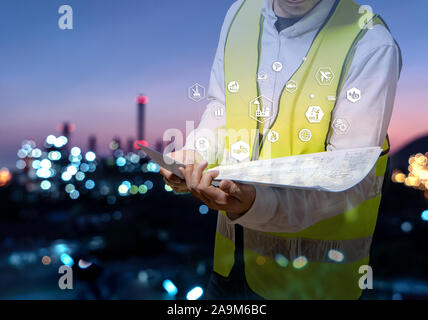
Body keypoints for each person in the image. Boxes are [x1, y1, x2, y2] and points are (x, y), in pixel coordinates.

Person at [160, 0, 401, 300]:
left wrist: (254, 204)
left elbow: (347, 180)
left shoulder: (370, 43)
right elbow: (222, 108)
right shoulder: (240, 14)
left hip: (312, 287)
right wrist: (195, 153)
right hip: (228, 269)